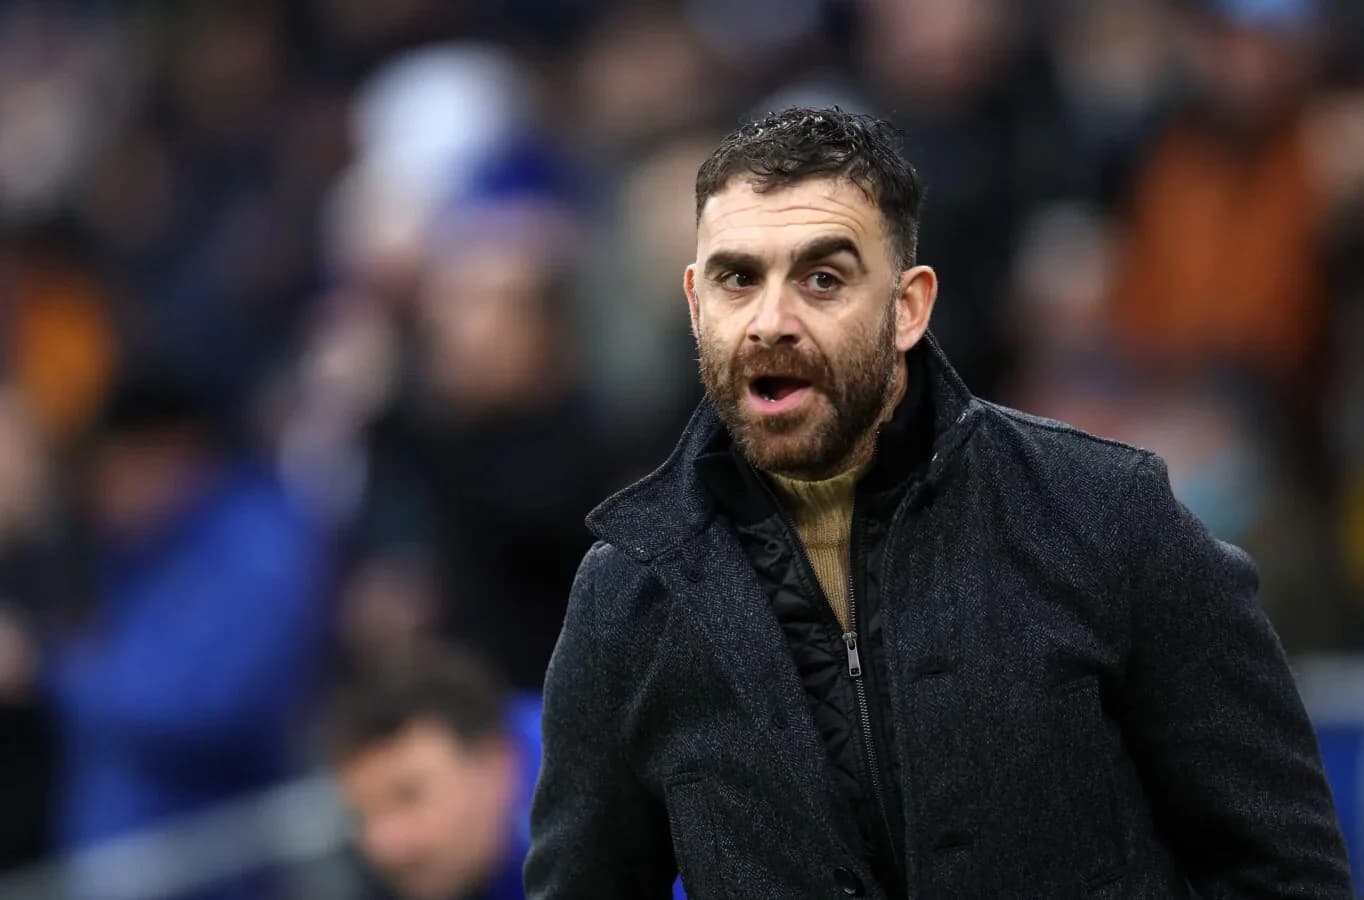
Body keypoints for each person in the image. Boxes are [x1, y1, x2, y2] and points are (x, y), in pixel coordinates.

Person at [524, 107, 1354, 897]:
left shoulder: (1107, 515)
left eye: (822, 277)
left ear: (909, 306)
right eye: (737, 279)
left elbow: (1285, 871)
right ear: (697, 303)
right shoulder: (627, 596)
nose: (770, 321)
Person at [328, 644, 688, 900]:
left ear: (494, 763)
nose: (385, 845)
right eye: (361, 815)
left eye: (409, 796)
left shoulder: (621, 822)